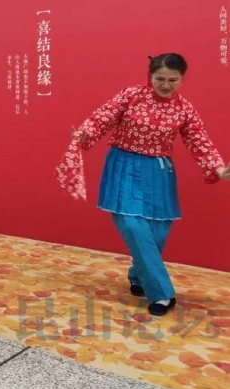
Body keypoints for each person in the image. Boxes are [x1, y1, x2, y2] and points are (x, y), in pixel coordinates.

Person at [65, 53, 230, 316]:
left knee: (157, 233)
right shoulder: (131, 96)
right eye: (160, 78)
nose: (165, 85)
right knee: (132, 225)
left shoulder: (184, 109)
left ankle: (138, 276)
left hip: (159, 171)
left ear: (181, 79)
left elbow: (199, 141)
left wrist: (218, 169)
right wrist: (85, 135)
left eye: (172, 80)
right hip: (124, 165)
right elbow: (102, 118)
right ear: (150, 76)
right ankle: (162, 293)